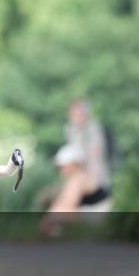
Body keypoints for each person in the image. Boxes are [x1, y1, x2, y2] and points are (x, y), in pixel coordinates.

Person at [41, 98, 112, 236]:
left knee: (65, 201)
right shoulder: (71, 129)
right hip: (82, 174)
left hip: (93, 179)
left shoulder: (93, 129)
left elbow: (95, 157)